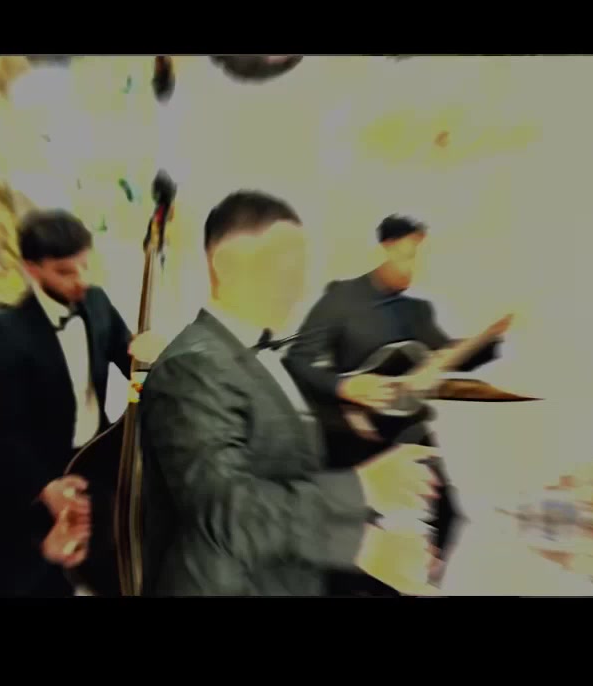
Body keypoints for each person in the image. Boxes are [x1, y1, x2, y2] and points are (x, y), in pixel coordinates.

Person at [138, 191, 442, 596]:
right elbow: (228, 512)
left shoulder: (260, 353)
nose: (299, 288)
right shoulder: (192, 365)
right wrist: (360, 517)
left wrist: (373, 498)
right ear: (225, 264)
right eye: (285, 267)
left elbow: (282, 479)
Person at [283, 214, 509, 596]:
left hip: (407, 432)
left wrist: (490, 338)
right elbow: (298, 360)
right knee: (354, 534)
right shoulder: (341, 299)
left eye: (419, 256)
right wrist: (344, 386)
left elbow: (447, 357)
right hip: (351, 436)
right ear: (384, 250)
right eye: (406, 255)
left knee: (447, 514)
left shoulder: (417, 312)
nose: (413, 266)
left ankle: (416, 584)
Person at [0, 209, 163, 596]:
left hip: (96, 459)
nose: (81, 279)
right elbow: (2, 429)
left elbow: (132, 370)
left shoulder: (97, 302)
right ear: (32, 269)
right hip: (40, 474)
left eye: (85, 265)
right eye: (65, 271)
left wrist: (153, 365)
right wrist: (43, 486)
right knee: (45, 582)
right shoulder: (5, 331)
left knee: (105, 568)